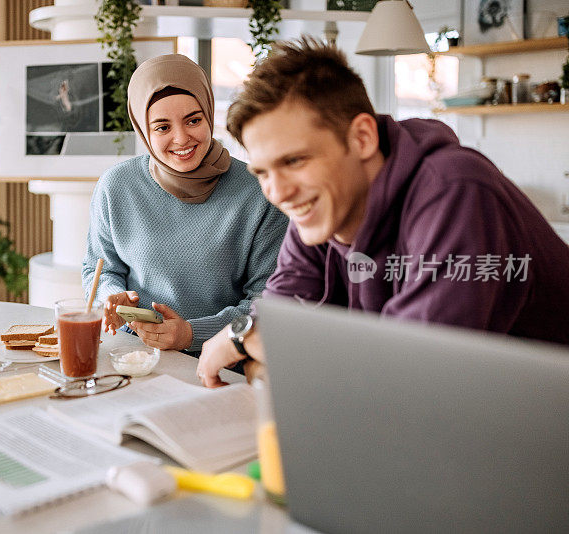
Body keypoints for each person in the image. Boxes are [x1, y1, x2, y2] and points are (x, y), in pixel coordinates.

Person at [197, 38, 569, 387]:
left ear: (362, 138)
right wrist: (256, 343)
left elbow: (405, 377)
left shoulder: (455, 192)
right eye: (262, 172)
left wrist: (257, 346)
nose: (278, 192)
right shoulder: (318, 211)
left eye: (295, 161)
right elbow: (273, 328)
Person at [82, 54, 287, 353]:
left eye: (193, 120)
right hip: (132, 354)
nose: (181, 139)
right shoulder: (115, 187)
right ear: (143, 129)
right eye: (162, 127)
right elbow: (98, 269)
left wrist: (192, 333)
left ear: (209, 113)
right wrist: (112, 296)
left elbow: (267, 301)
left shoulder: (260, 192)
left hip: (223, 359)